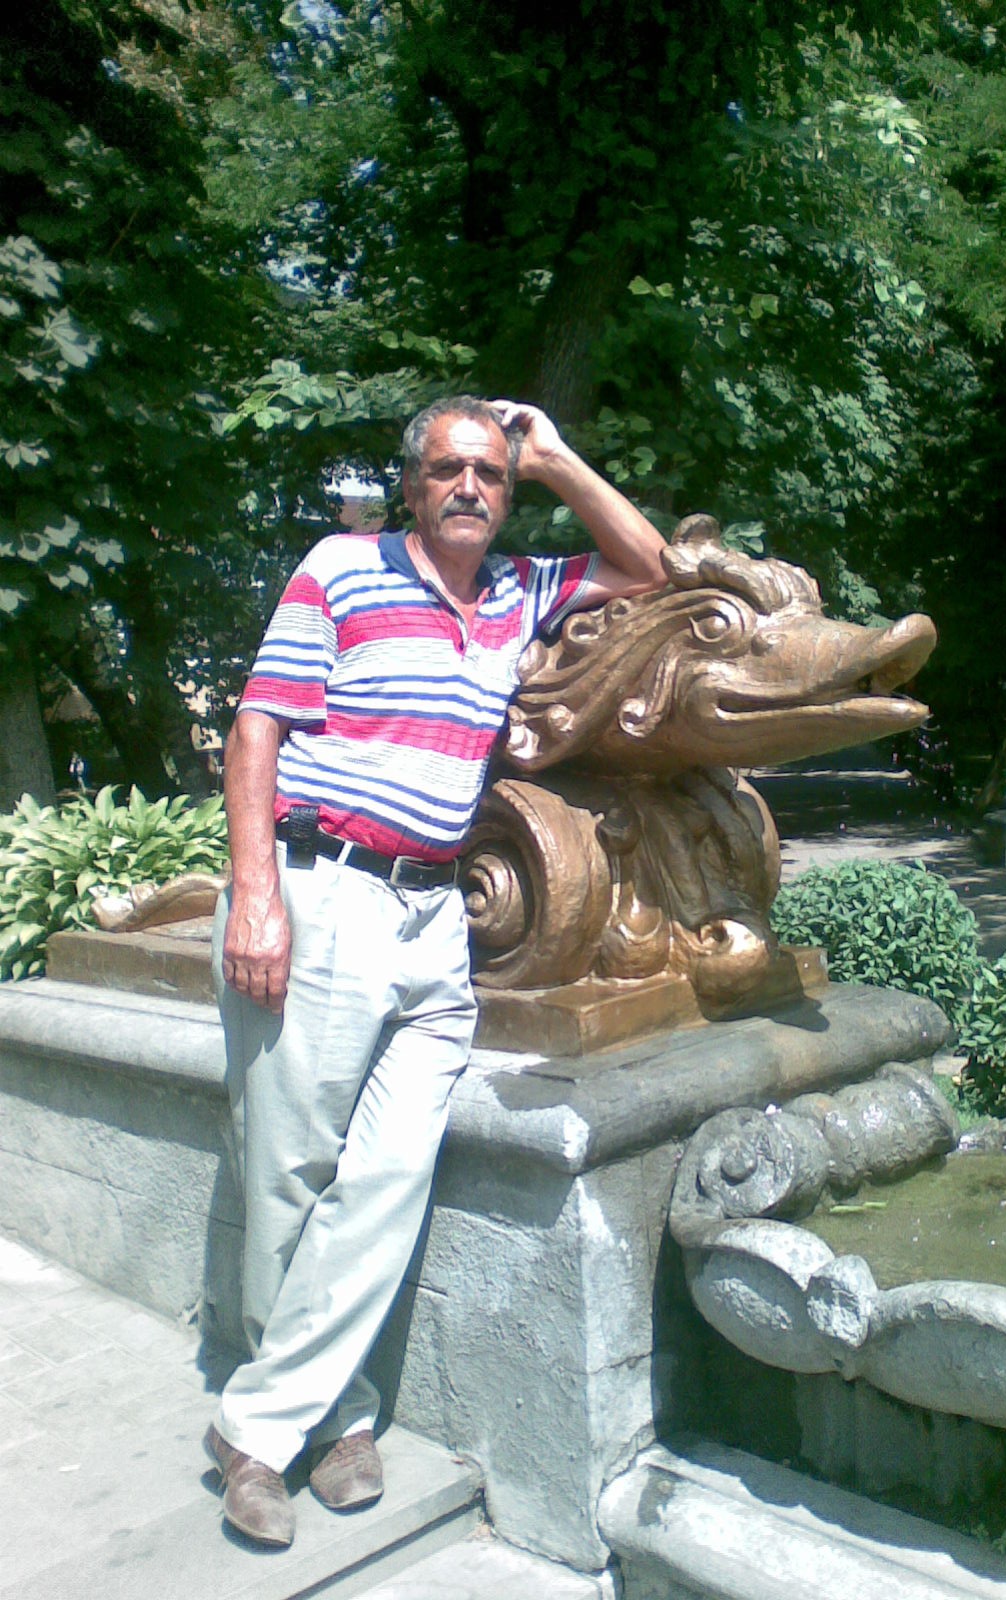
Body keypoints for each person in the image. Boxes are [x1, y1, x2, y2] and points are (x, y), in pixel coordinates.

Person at [205, 396, 667, 1547]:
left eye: (491, 474)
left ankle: (260, 1423)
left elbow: (649, 566)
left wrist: (555, 455)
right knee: (292, 1169)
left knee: (390, 1174)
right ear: (412, 485)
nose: (471, 486)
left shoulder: (519, 592)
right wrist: (257, 897)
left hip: (433, 921)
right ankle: (329, 1422)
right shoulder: (343, 567)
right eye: (450, 469)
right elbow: (256, 730)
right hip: (323, 894)